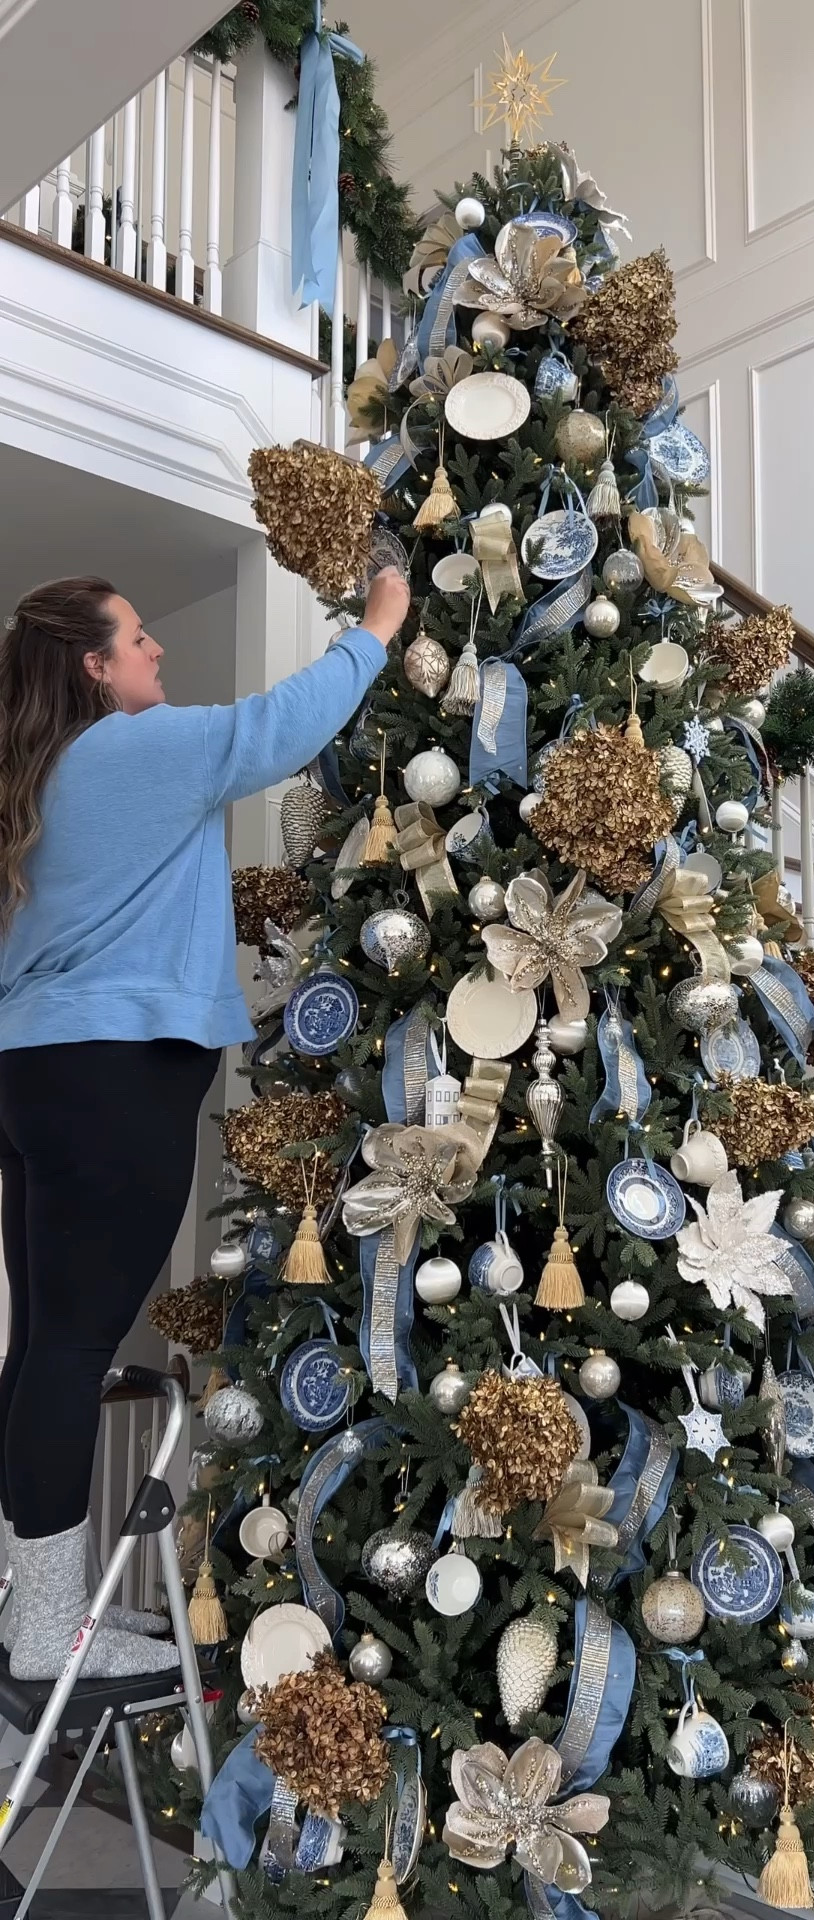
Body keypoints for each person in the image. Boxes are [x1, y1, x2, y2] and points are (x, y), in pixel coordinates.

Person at [0, 568, 407, 1680]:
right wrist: (378, 627)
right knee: (73, 1350)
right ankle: (43, 1634)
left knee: (45, 1344)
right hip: (110, 1078)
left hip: (38, 1074)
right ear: (93, 666)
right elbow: (276, 729)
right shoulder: (131, 748)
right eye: (138, 638)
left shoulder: (37, 770)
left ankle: (39, 1607)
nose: (156, 653)